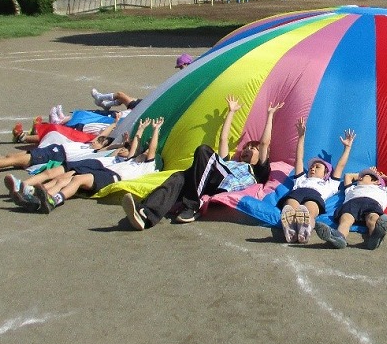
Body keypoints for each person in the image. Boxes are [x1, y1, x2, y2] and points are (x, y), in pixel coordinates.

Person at [122, 95, 283, 230]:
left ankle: (193, 205)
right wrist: (231, 112)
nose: (247, 150)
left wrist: (270, 115)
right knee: (179, 176)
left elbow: (264, 143)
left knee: (204, 150)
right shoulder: (227, 162)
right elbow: (223, 138)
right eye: (246, 148)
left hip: (224, 181)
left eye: (252, 149)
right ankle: (146, 214)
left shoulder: (257, 170)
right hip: (208, 178)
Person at [27, 117, 163, 213]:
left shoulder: (147, 166)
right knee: (68, 178)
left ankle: (54, 200)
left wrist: (156, 129)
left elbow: (152, 150)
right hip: (105, 171)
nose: (144, 151)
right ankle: (40, 199)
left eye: (146, 152)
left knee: (77, 179)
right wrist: (141, 129)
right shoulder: (132, 160)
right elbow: (135, 146)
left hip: (112, 177)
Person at [276, 118, 355, 244]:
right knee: (290, 209)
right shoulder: (301, 179)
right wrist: (301, 137)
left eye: (317, 167)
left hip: (315, 196)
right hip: (298, 192)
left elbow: (340, 166)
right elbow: (299, 159)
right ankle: (290, 229)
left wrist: (347, 148)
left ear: (326, 174)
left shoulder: (330, 184)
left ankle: (305, 230)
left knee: (308, 213)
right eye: (312, 166)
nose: (313, 168)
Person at [315, 168, 387, 250]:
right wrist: (365, 174)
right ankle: (339, 237)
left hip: (372, 204)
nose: (359, 178)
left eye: (364, 176)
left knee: (373, 219)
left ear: (376, 181)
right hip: (352, 203)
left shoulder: (384, 190)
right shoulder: (352, 188)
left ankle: (375, 236)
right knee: (346, 219)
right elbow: (348, 176)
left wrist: (382, 177)